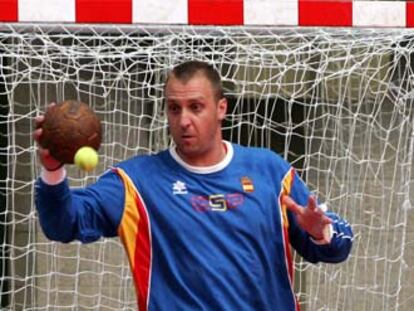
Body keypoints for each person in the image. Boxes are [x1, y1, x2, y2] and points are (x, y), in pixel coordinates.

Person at [34, 60, 353, 311]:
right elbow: (62, 224)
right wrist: (52, 170)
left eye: (195, 107)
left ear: (221, 108)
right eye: (174, 108)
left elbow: (339, 246)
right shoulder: (137, 182)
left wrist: (319, 232)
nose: (184, 120)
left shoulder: (270, 172)